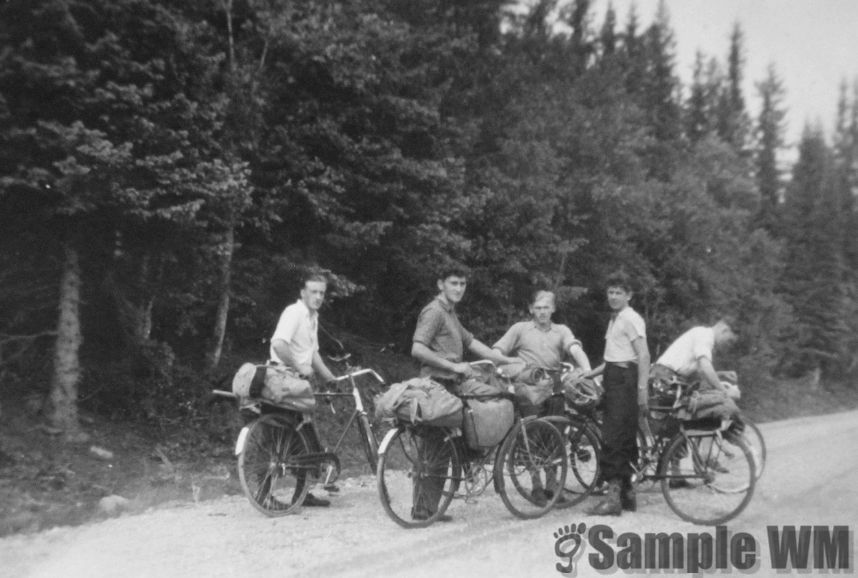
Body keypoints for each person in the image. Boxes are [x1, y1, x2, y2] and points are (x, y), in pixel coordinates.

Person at [410, 265, 517, 521]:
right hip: (438, 384)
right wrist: (452, 365)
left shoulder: (450, 313)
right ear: (441, 284)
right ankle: (425, 507)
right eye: (454, 283)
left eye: (462, 284)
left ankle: (427, 508)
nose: (459, 289)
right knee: (434, 448)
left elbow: (471, 342)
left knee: (440, 447)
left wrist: (504, 360)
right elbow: (417, 348)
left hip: (450, 383)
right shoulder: (434, 311)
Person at [492, 289, 592, 505]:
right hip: (528, 388)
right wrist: (509, 366)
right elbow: (497, 350)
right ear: (531, 309)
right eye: (537, 307)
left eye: (546, 307)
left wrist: (587, 369)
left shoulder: (561, 331)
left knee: (555, 435)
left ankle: (552, 485)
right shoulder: (520, 329)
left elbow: (573, 348)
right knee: (532, 436)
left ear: (553, 309)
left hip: (554, 387)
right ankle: (536, 485)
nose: (542, 312)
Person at [267, 271, 338, 508]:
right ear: (303, 293)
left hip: (299, 382)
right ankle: (263, 494)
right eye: (314, 292)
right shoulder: (294, 313)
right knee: (281, 433)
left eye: (322, 293)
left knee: (304, 433)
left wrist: (330, 377)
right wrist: (299, 367)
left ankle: (303, 492)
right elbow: (278, 344)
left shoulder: (312, 317)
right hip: (285, 378)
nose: (318, 296)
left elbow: (313, 353)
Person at [583, 271, 650, 516]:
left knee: (614, 435)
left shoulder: (630, 318)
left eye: (619, 292)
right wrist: (591, 374)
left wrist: (642, 389)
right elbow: (613, 357)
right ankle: (627, 494)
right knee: (623, 436)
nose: (613, 296)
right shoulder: (616, 318)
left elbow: (642, 355)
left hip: (625, 380)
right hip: (614, 375)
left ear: (629, 295)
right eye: (610, 292)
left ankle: (613, 499)